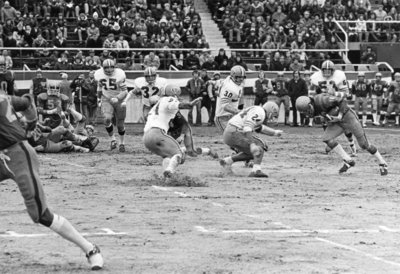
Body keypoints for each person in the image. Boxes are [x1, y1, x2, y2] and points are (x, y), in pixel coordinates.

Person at [0, 82, 104, 271]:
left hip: (18, 155)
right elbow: (25, 102)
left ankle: (90, 249)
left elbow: (26, 102)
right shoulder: (4, 98)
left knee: (40, 214)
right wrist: (31, 124)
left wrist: (31, 127)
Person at [296, 94, 388, 176]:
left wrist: (339, 115)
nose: (306, 113)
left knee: (364, 145)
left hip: (348, 117)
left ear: (310, 104)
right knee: (327, 138)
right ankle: (348, 160)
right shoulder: (314, 109)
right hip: (336, 123)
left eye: (306, 110)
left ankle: (382, 163)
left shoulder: (322, 100)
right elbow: (326, 121)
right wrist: (325, 121)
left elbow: (342, 101)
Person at [143, 85, 202, 178]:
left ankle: (167, 177)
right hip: (158, 133)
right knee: (179, 155)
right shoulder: (169, 99)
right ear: (174, 94)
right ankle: (169, 172)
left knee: (169, 157)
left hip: (146, 138)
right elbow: (178, 105)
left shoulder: (157, 105)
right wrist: (190, 104)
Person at [219, 102, 282, 178]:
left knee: (252, 153)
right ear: (270, 110)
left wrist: (274, 132)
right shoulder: (260, 112)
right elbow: (247, 127)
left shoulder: (257, 110)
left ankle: (227, 161)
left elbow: (260, 128)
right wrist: (252, 144)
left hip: (229, 133)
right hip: (235, 132)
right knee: (260, 144)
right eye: (273, 114)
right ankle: (256, 170)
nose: (272, 118)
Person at [310, 60, 357, 156]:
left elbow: (348, 95)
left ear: (333, 70)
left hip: (337, 102)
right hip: (324, 104)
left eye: (329, 70)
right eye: (325, 70)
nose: (327, 73)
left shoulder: (339, 76)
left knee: (345, 125)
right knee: (324, 121)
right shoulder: (315, 77)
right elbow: (311, 93)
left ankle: (353, 147)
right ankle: (331, 142)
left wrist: (334, 94)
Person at [94, 59, 128, 152]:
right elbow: (99, 87)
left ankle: (122, 143)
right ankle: (113, 140)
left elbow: (125, 91)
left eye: (111, 67)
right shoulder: (98, 75)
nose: (109, 70)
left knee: (120, 124)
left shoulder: (120, 75)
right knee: (107, 119)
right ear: (102, 68)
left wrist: (117, 98)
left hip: (119, 99)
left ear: (114, 67)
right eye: (106, 68)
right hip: (106, 98)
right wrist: (98, 98)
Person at [215, 65, 245, 133]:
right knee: (232, 138)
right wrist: (238, 112)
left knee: (243, 134)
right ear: (233, 76)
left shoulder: (231, 80)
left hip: (233, 116)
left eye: (242, 77)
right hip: (223, 116)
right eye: (238, 77)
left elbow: (218, 82)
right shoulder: (229, 88)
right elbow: (225, 106)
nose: (241, 79)